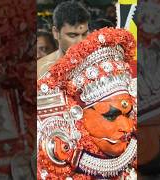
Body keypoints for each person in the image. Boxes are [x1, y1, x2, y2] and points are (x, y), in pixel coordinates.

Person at [37, 27, 137, 179]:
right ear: (78, 115)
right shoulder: (51, 159)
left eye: (128, 114)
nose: (127, 127)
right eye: (111, 115)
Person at [37, 1, 90, 79]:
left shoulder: (98, 62)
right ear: (56, 33)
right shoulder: (40, 70)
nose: (80, 42)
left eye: (84, 34)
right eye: (72, 35)